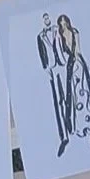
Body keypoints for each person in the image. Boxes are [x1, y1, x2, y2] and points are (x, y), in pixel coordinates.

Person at [57, 14, 90, 150]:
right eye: (61, 24)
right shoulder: (60, 37)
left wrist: (77, 59)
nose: (63, 25)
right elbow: (63, 54)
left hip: (78, 62)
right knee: (75, 96)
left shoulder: (75, 32)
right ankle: (82, 126)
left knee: (86, 91)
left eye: (65, 23)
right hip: (70, 65)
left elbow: (78, 49)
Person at [36, 12, 70, 156]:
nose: (47, 20)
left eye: (47, 18)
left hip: (62, 63)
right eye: (44, 19)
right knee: (58, 101)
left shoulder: (57, 29)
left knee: (68, 96)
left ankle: (72, 125)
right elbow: (42, 53)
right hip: (52, 68)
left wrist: (68, 57)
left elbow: (64, 44)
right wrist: (46, 68)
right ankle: (64, 136)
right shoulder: (40, 36)